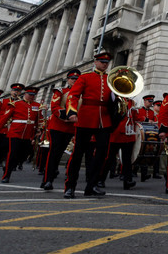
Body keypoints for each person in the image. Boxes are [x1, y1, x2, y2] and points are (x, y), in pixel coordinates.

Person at [63, 51, 116, 198]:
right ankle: (70, 186)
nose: (104, 65)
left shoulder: (111, 79)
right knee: (78, 154)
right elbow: (73, 95)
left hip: (104, 120)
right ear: (95, 62)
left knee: (101, 155)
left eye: (106, 63)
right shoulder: (85, 77)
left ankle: (91, 186)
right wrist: (72, 112)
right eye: (102, 62)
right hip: (86, 117)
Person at [0, 87, 40, 183]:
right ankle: (6, 175)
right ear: (25, 94)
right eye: (30, 94)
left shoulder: (37, 105)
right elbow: (4, 118)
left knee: (25, 154)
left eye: (33, 95)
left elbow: (38, 119)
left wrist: (39, 129)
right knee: (12, 154)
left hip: (27, 134)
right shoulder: (15, 104)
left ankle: (11, 165)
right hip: (15, 132)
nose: (31, 97)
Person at [41, 69, 79, 190]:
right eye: (72, 79)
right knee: (53, 154)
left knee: (62, 153)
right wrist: (66, 117)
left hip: (72, 128)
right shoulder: (60, 91)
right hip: (58, 126)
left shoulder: (81, 93)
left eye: (77, 79)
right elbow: (55, 107)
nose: (74, 81)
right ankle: (47, 180)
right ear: (68, 79)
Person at [0, 83, 24, 177]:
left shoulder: (21, 103)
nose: (16, 92)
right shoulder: (2, 101)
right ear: (11, 91)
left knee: (4, 152)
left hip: (10, 131)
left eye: (18, 91)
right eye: (14, 91)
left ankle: (2, 167)